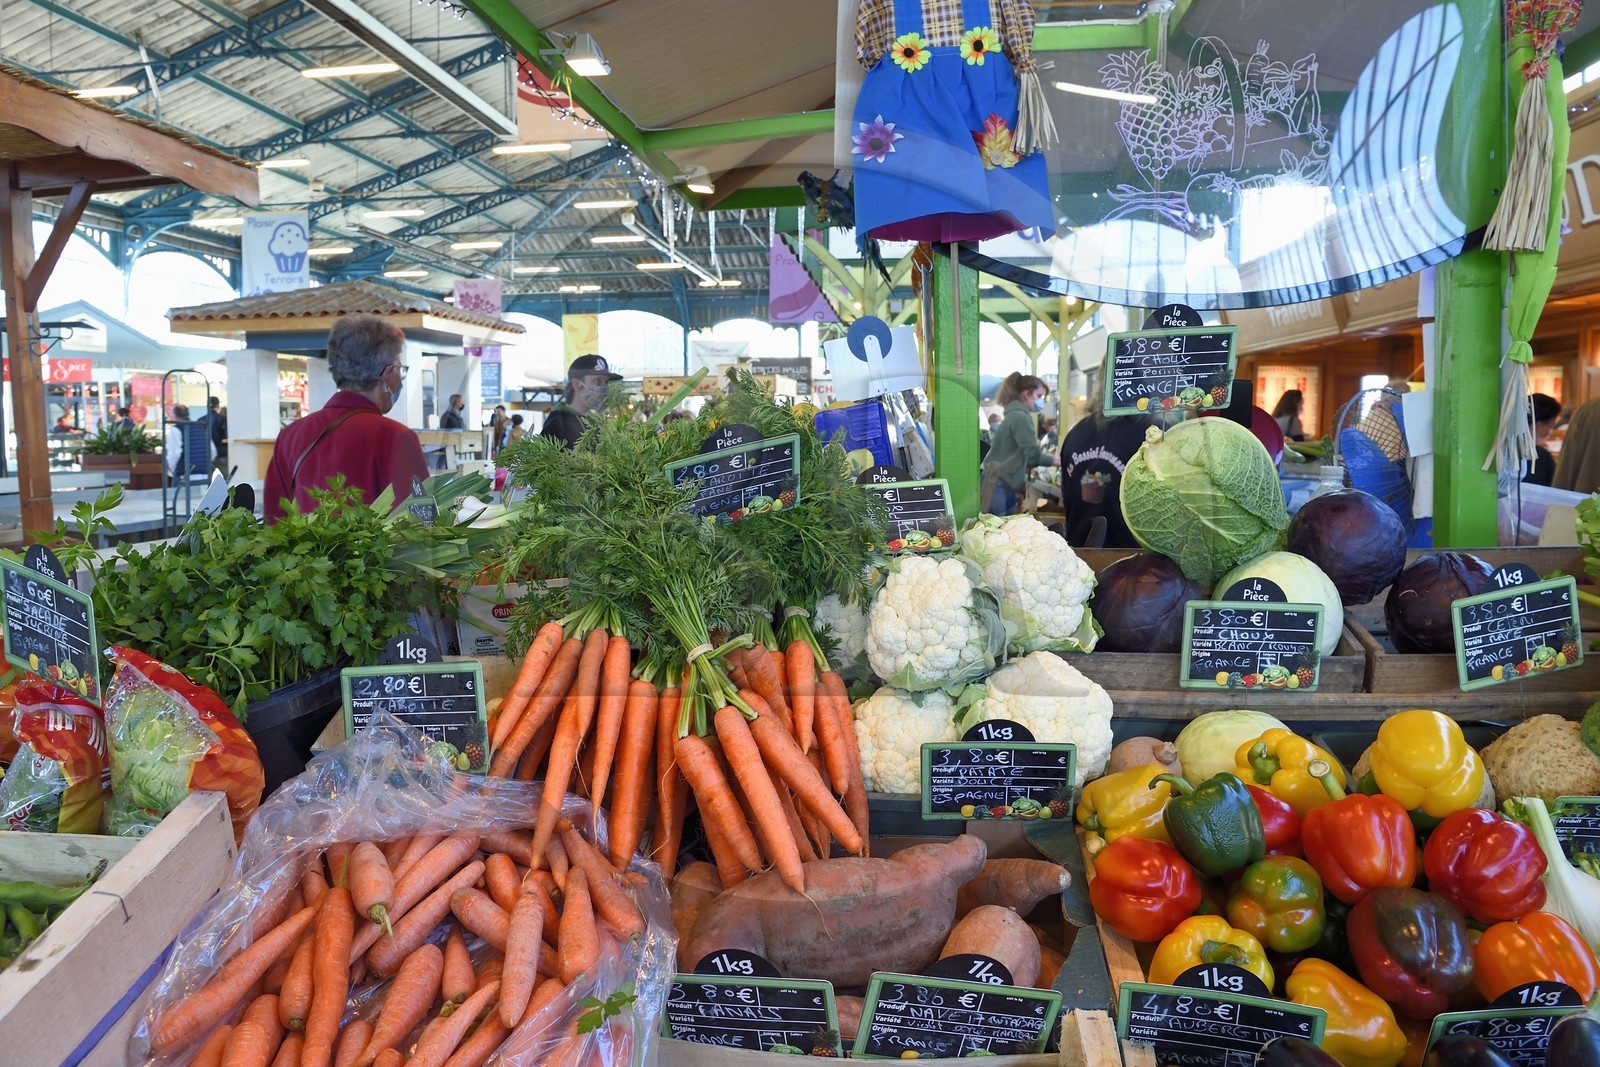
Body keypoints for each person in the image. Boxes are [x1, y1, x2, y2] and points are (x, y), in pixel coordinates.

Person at [262, 314, 428, 523]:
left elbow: (274, 522)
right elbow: (420, 525)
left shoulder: (290, 436)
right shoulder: (396, 438)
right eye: (400, 370)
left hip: (305, 555)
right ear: (389, 372)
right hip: (378, 556)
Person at [1058, 370, 1158, 548]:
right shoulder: (1154, 437)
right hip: (1134, 564)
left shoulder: (1075, 434)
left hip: (1078, 559)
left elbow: (1067, 498)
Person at [980, 372, 1054, 515]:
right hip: (998, 484)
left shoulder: (1014, 415)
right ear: (1027, 393)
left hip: (998, 482)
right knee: (999, 532)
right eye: (1039, 396)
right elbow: (1033, 456)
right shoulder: (1020, 418)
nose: (1041, 401)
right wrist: (1060, 460)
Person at [541, 355, 622, 449]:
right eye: (597, 381)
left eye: (606, 383)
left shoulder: (594, 422)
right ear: (576, 384)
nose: (604, 389)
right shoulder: (557, 424)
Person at [164, 404, 215, 481]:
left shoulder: (176, 430)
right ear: (188, 414)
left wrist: (173, 471)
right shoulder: (201, 428)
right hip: (205, 474)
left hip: (184, 475)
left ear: (175, 416)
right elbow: (213, 451)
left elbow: (174, 454)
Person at [1526, 393, 1561, 487]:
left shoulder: (1506, 450)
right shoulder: (1541, 457)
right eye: (1551, 425)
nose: (1551, 430)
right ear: (1538, 425)